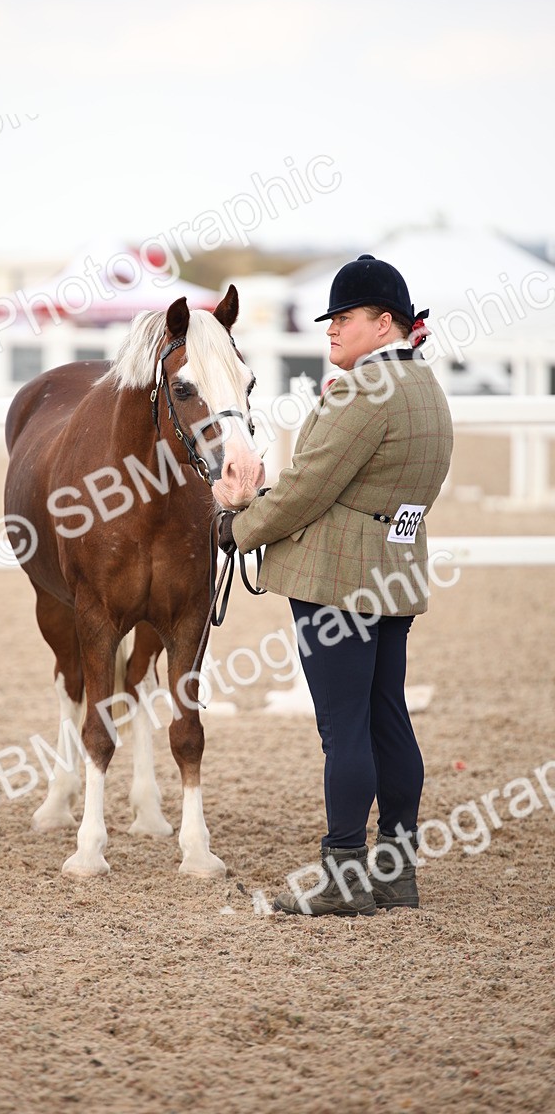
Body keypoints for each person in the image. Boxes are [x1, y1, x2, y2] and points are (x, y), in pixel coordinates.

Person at [218, 254, 454, 916]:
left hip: (339, 583)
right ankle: (395, 871)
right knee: (388, 720)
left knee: (344, 726)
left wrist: (239, 527)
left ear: (384, 324)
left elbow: (308, 486)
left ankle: (345, 873)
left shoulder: (362, 392)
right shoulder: (427, 390)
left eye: (344, 318)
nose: (330, 330)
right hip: (396, 572)